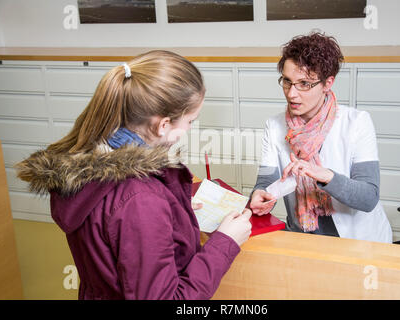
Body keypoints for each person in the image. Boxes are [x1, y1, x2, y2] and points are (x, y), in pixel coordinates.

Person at [15, 50, 252, 299]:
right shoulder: (141, 201)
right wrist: (225, 242)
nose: (189, 129)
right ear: (163, 125)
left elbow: (116, 228)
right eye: (191, 121)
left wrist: (172, 212)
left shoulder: (90, 163)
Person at [249, 32, 392, 243]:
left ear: (327, 83)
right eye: (287, 82)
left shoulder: (357, 122)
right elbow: (266, 179)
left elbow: (368, 198)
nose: (291, 94)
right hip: (304, 239)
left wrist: (324, 175)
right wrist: (260, 193)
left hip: (358, 242)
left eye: (304, 84)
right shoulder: (275, 125)